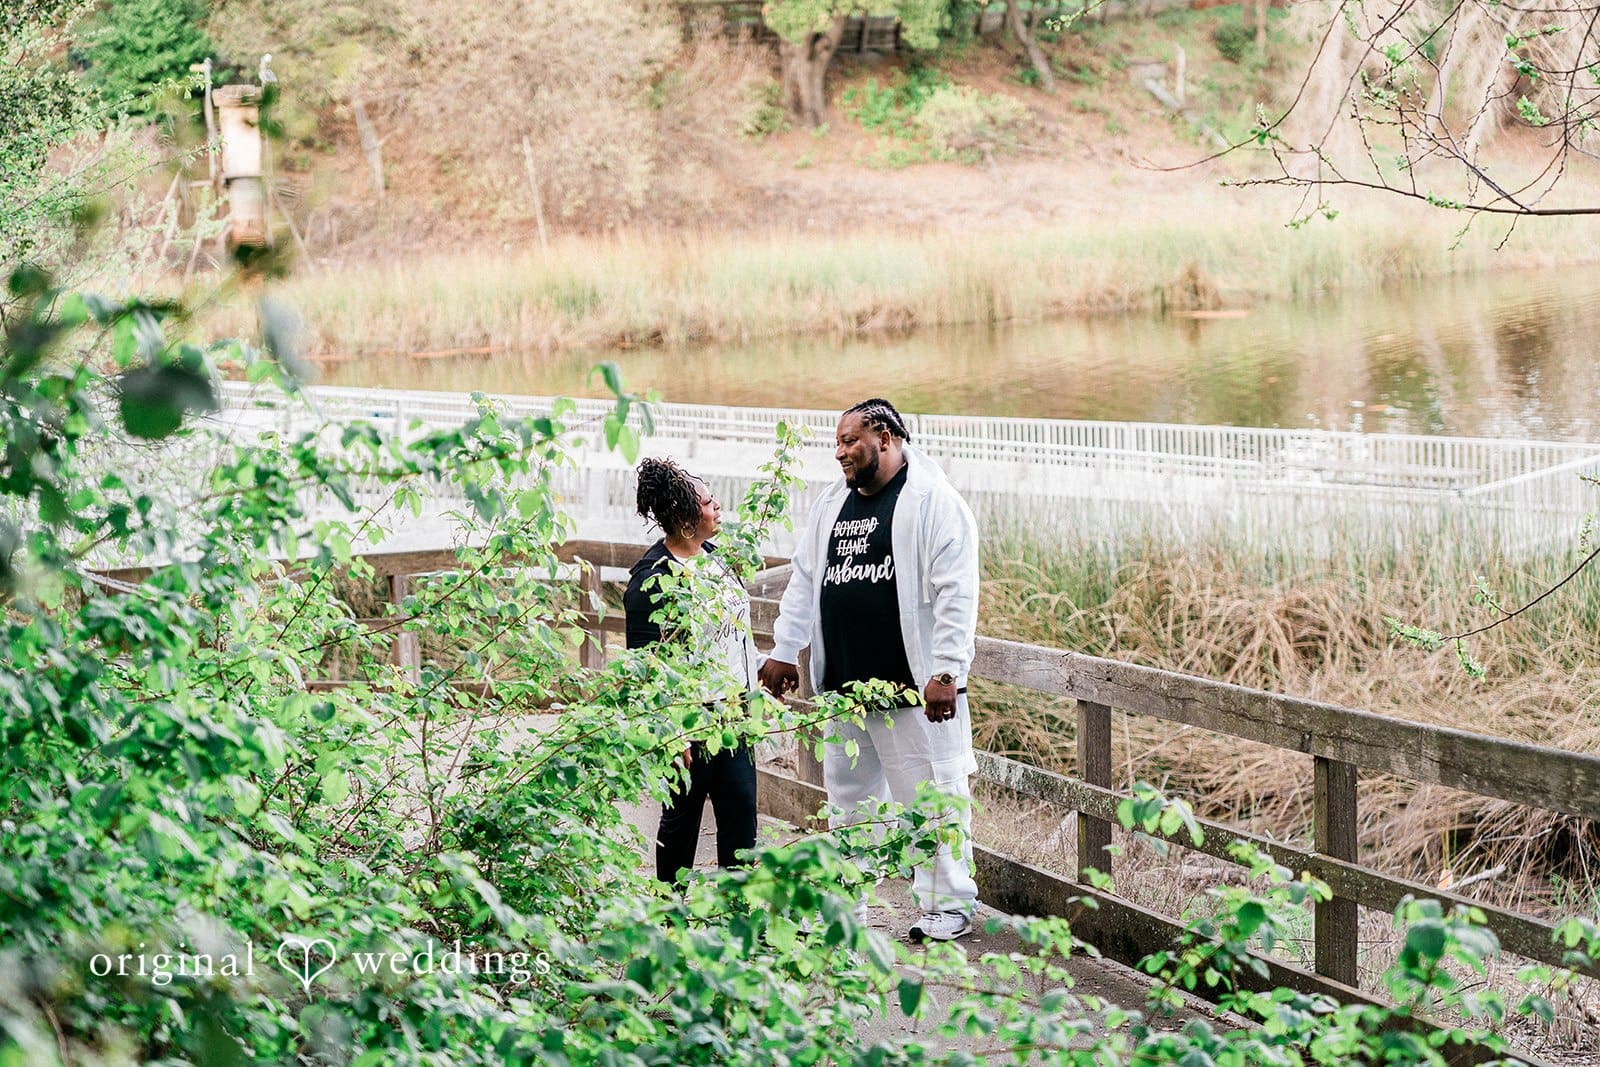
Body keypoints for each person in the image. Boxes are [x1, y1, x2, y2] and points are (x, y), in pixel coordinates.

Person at [757, 398, 981, 942]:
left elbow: (957, 593)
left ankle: (947, 907)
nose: (839, 453)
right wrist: (785, 647)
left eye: (849, 441)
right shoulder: (832, 503)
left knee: (932, 799)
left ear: (885, 437)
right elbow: (805, 580)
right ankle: (843, 906)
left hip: (912, 691)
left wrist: (947, 672)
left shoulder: (933, 501)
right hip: (846, 689)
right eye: (836, 443)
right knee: (849, 807)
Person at [625, 456, 760, 889]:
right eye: (707, 502)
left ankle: (736, 913)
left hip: (734, 715)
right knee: (681, 823)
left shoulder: (716, 561)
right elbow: (645, 664)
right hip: (687, 718)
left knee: (741, 817)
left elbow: (735, 636)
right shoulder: (652, 578)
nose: (717, 507)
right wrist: (669, 732)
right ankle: (671, 914)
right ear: (684, 517)